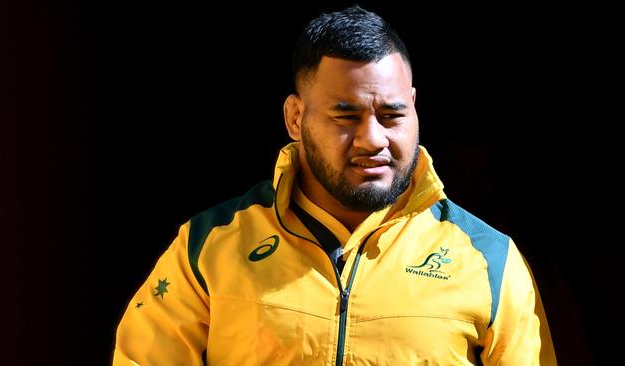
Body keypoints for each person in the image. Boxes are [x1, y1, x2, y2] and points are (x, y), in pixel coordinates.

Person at [113, 5, 556, 365]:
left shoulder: (488, 259)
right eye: (346, 116)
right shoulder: (209, 247)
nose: (373, 139)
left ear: (415, 108)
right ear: (295, 117)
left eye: (392, 115)